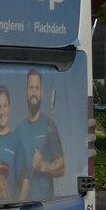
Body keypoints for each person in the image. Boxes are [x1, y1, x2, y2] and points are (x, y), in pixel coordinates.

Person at [14, 69, 64, 200]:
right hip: (22, 203)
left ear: (41, 92)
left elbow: (61, 167)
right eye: (31, 88)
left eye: (37, 88)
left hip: (45, 204)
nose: (34, 92)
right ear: (26, 91)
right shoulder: (18, 130)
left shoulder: (50, 126)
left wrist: (44, 166)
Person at [0, 85, 31, 203]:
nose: (2, 111)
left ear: (9, 107)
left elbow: (25, 180)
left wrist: (20, 205)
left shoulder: (16, 142)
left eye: (5, 106)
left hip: (10, 209)